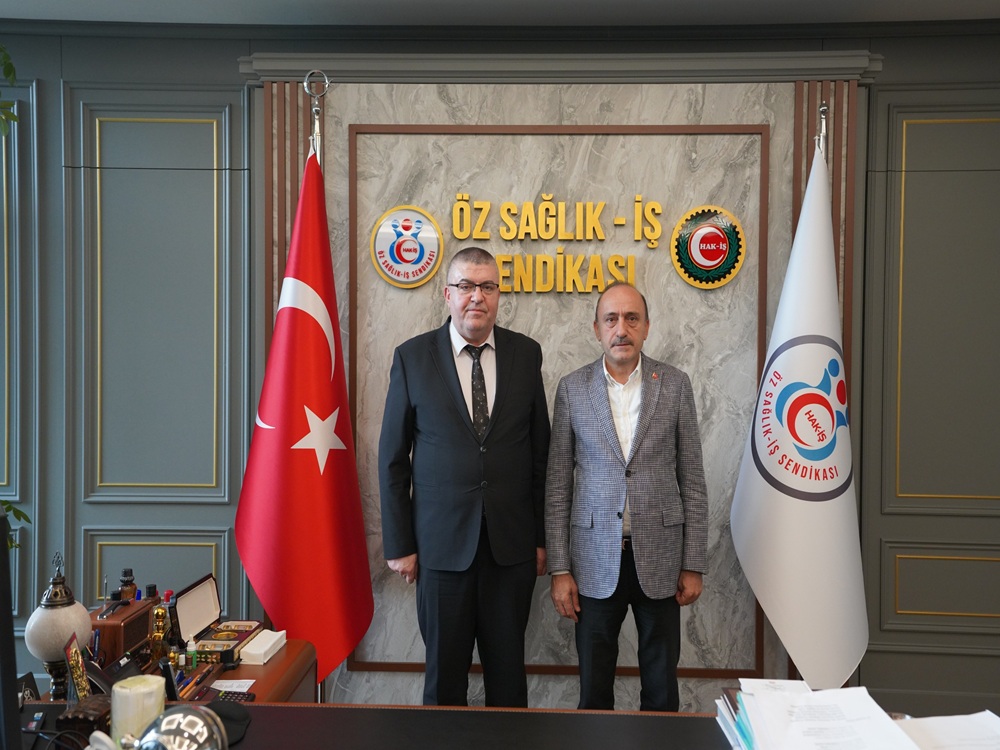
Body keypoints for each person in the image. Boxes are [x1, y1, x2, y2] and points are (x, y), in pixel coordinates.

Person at [378, 246, 550, 707]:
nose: (477, 296)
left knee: (508, 683)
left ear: (498, 295)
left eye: (487, 286)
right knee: (444, 684)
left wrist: (541, 539)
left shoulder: (526, 354)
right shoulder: (413, 357)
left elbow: (540, 455)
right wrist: (400, 545)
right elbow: (393, 459)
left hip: (510, 551)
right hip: (439, 551)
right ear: (447, 294)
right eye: (467, 286)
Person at [545, 281, 709, 712]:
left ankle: (660, 743)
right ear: (597, 328)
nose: (622, 329)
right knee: (594, 687)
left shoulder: (674, 384)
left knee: (661, 686)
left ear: (647, 326)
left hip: (661, 558)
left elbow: (692, 479)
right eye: (612, 319)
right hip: (593, 561)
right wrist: (560, 569)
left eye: (632, 318)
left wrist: (693, 563)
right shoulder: (572, 388)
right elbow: (558, 485)